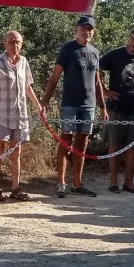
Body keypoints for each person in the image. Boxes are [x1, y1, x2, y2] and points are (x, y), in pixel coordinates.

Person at [42, 15, 109, 198]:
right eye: (83, 28)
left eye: (90, 29)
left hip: (89, 106)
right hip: (70, 104)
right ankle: (61, 183)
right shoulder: (68, 49)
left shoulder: (95, 52)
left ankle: (77, 184)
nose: (87, 32)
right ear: (76, 29)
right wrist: (44, 103)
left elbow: (97, 82)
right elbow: (54, 77)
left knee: (82, 145)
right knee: (65, 142)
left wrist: (102, 106)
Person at [0, 31, 42, 201]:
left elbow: (27, 87)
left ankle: (16, 187)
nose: (14, 45)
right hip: (1, 113)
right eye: (11, 42)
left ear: (22, 43)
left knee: (16, 151)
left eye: (17, 42)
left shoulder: (24, 62)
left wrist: (38, 106)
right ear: (4, 43)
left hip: (20, 114)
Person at [99, 28, 134, 195]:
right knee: (114, 146)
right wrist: (105, 90)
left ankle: (129, 183)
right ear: (128, 38)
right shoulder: (115, 55)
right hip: (116, 109)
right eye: (132, 38)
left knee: (132, 148)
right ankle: (113, 182)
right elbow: (96, 70)